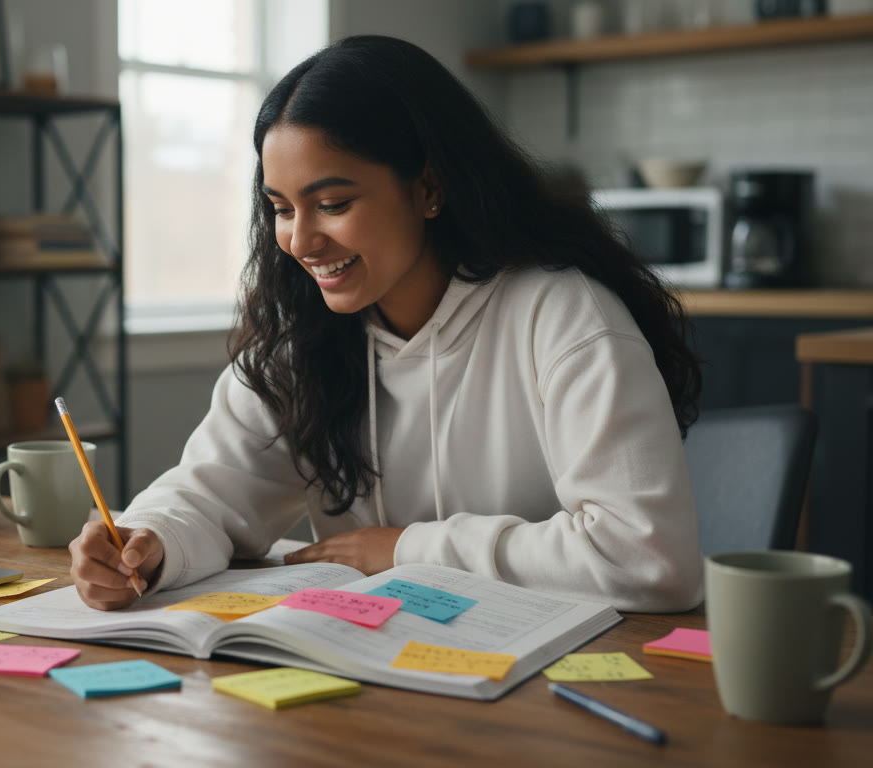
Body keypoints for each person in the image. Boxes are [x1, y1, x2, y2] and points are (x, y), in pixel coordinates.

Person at [70, 35, 705, 613]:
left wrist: (405, 550)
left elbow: (649, 560)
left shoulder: (563, 317)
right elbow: (212, 494)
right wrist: (148, 539)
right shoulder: (304, 334)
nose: (300, 241)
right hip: (371, 676)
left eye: (333, 204)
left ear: (428, 187)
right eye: (282, 208)